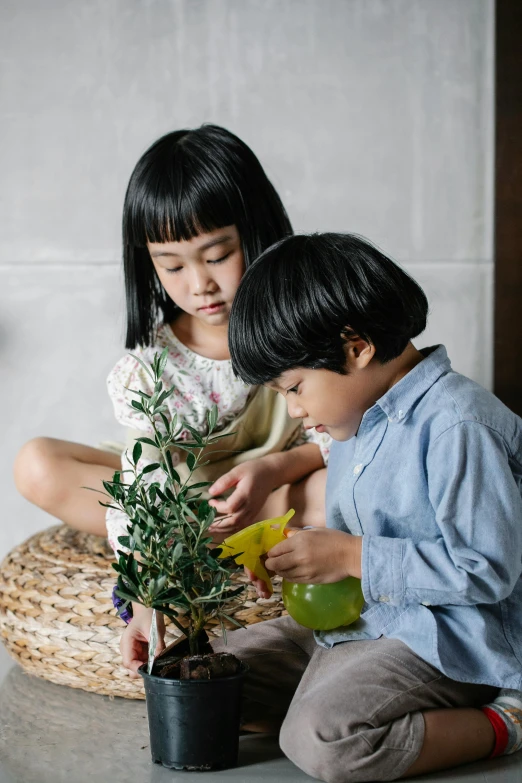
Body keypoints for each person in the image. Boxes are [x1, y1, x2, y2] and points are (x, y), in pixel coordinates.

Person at [13, 126, 330, 666]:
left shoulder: (303, 322)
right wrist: (147, 591)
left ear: (256, 230)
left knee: (343, 487)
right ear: (148, 263)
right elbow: (152, 472)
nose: (199, 283)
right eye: (173, 265)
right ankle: (209, 540)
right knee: (37, 463)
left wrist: (274, 470)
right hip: (182, 498)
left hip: (279, 486)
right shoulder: (154, 367)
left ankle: (218, 535)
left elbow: (344, 430)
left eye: (217, 254)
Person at [218, 232, 522, 781]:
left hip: (450, 639)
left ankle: (504, 722)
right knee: (203, 681)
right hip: (363, 623)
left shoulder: (459, 424)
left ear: (356, 347)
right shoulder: (354, 420)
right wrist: (293, 557)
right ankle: (341, 692)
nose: (291, 411)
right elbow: (351, 553)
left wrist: (351, 556)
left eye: (294, 388)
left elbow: (487, 572)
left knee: (319, 739)